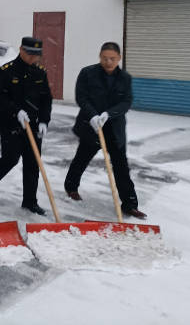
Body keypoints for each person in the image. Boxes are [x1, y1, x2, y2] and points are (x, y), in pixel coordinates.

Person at [63, 42, 147, 219]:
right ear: (100, 56)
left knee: (121, 167)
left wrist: (109, 114)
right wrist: (93, 115)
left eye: (112, 59)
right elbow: (82, 97)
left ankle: (130, 204)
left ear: (119, 58)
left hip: (114, 129)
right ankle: (71, 187)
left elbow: (126, 102)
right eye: (105, 58)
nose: (108, 62)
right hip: (91, 126)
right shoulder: (88, 73)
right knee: (82, 159)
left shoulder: (125, 78)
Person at [0, 37, 52, 216]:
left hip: (34, 125)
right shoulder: (6, 71)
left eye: (36, 55)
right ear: (21, 49)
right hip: (11, 124)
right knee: (11, 158)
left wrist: (44, 120)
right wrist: (16, 111)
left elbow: (46, 99)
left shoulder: (40, 73)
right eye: (29, 54)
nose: (32, 58)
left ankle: (30, 201)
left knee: (32, 162)